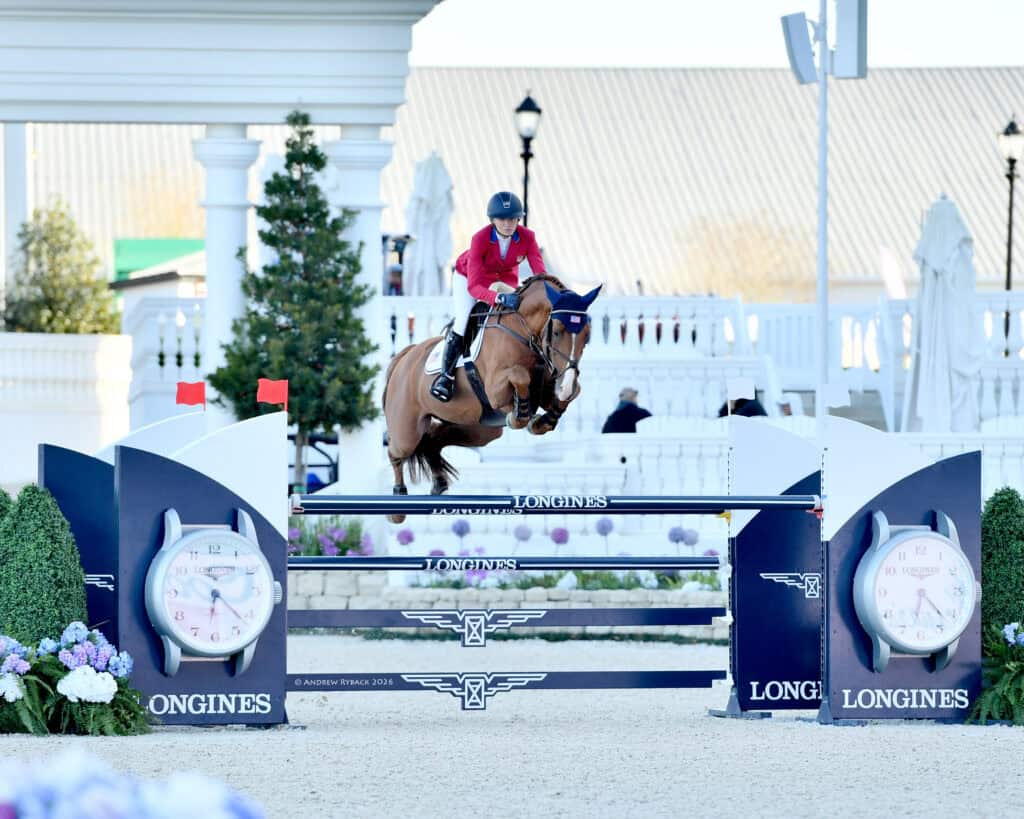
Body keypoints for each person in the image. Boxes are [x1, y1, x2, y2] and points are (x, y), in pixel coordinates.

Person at [430, 191, 546, 402]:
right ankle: (445, 378)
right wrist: (499, 299)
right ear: (492, 219)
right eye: (502, 219)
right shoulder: (480, 238)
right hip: (470, 278)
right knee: (464, 319)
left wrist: (549, 295)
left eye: (512, 218)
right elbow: (474, 287)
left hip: (504, 279)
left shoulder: (527, 237)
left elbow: (540, 273)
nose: (508, 223)